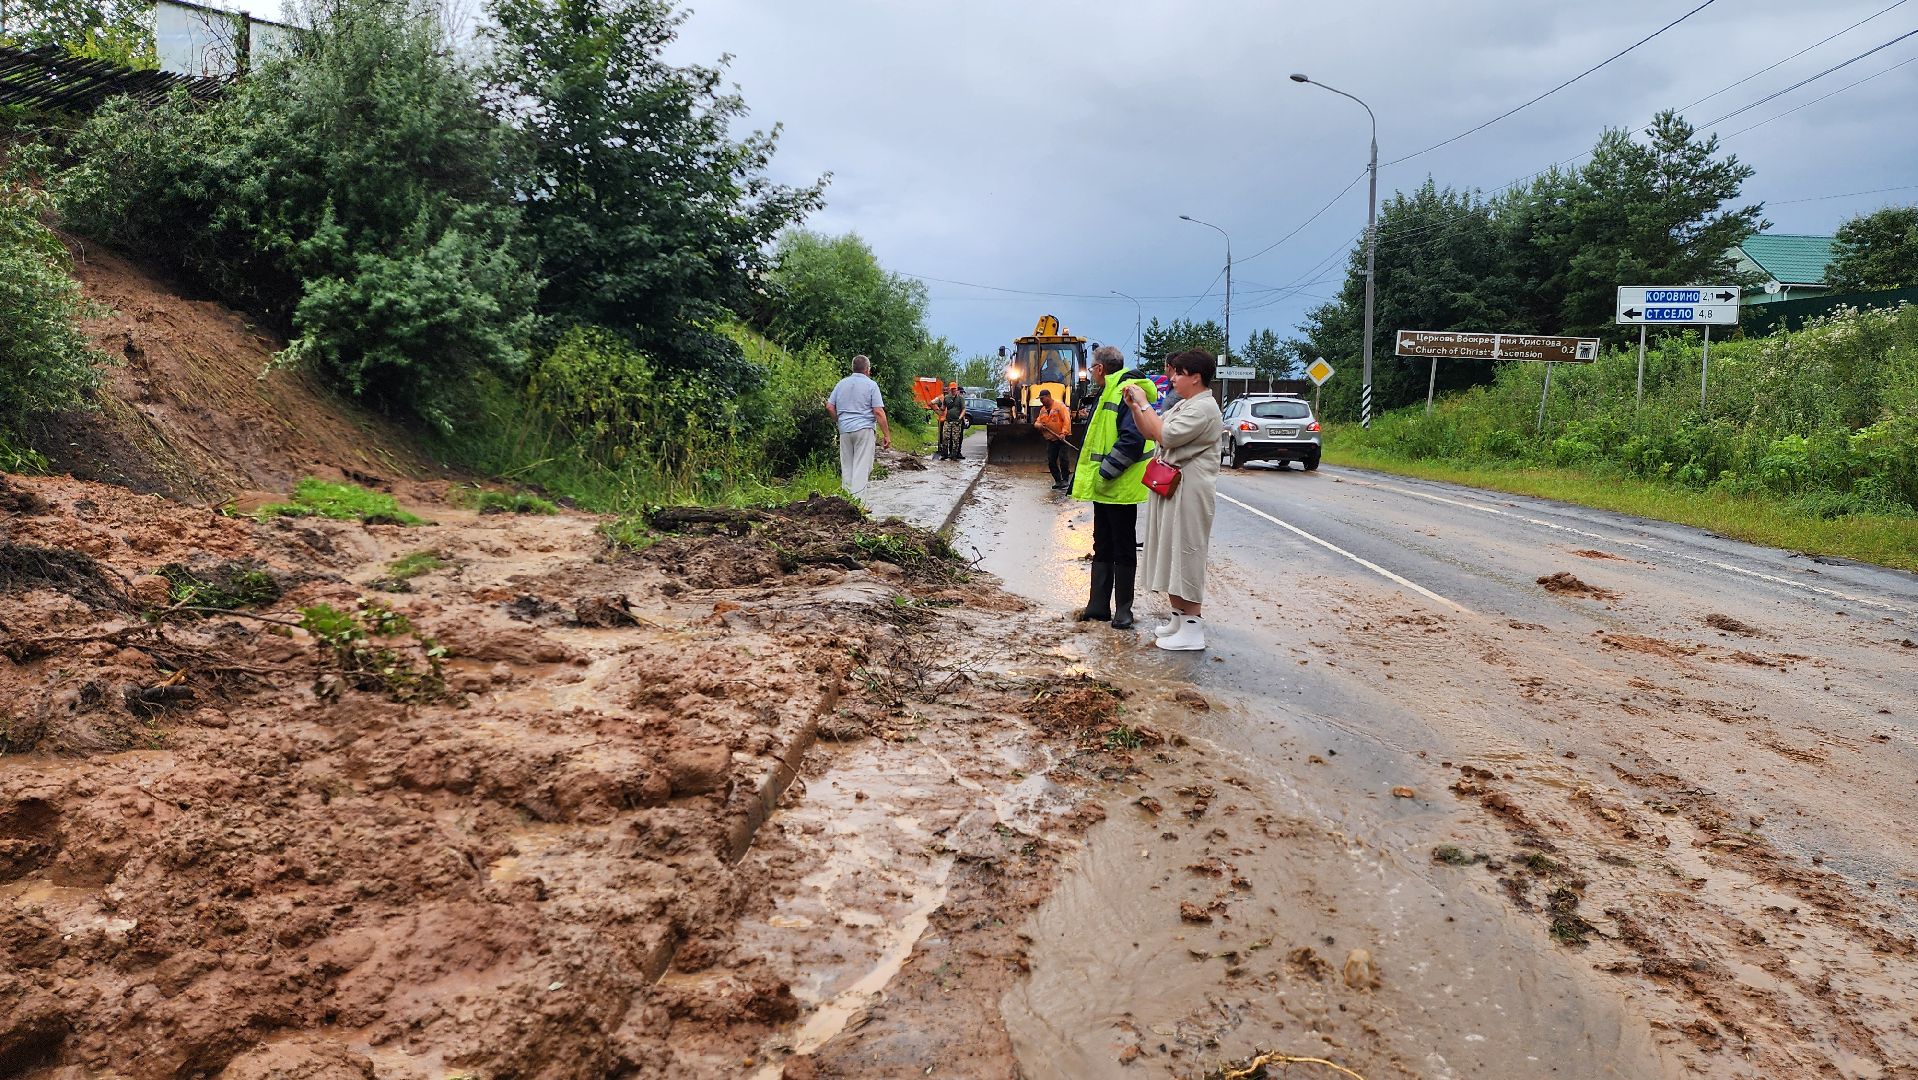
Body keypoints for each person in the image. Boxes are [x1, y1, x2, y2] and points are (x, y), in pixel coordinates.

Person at [1123, 348, 1222, 651]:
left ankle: (1193, 629)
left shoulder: (1204, 408)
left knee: (1187, 553)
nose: (1173, 378)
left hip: (1190, 492)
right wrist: (1136, 408)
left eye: (1179, 373)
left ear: (1196, 376)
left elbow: (1166, 435)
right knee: (1171, 551)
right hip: (1173, 487)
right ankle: (1179, 618)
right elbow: (1153, 432)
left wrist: (1143, 402)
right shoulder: (1186, 404)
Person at [1070, 345, 1157, 628]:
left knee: (1123, 546)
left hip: (1119, 486)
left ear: (1099, 369)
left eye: (1093, 367)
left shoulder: (1126, 392)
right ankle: (1098, 606)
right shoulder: (1110, 390)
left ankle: (1123, 610)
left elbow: (1132, 439)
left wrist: (1106, 472)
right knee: (1102, 543)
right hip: (1105, 487)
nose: (1093, 372)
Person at [825, 354, 891, 498]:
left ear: (853, 368)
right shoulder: (871, 385)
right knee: (861, 467)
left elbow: (829, 406)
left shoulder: (841, 383)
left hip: (844, 430)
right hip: (863, 430)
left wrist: (839, 420)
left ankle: (846, 501)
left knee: (847, 467)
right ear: (867, 369)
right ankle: (857, 504)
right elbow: (878, 411)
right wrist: (886, 434)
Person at [1035, 388, 1072, 489]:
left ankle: (1065, 480)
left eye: (1042, 398)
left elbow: (1066, 420)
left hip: (1063, 437)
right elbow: (1037, 422)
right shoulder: (1042, 410)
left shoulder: (1060, 406)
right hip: (1051, 439)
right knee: (1051, 460)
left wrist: (1063, 433)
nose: (1041, 401)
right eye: (1040, 399)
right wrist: (1038, 425)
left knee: (1063, 458)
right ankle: (1058, 481)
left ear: (1048, 396)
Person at [937, 381, 968, 461]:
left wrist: (960, 418)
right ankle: (944, 454)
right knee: (945, 438)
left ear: (956, 389)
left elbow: (964, 409)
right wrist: (938, 407)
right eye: (952, 389)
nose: (953, 390)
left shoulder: (960, 398)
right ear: (950, 389)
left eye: (954, 389)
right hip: (948, 421)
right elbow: (943, 408)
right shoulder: (946, 398)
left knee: (955, 439)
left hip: (956, 422)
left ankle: (954, 455)